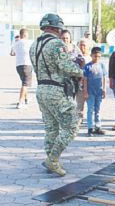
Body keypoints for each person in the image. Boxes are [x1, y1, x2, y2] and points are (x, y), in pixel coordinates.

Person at [29, 13, 83, 176]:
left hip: (41, 89)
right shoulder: (56, 43)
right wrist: (81, 72)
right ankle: (52, 160)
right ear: (56, 27)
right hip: (56, 90)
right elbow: (65, 65)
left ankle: (51, 160)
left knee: (51, 128)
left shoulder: (34, 44)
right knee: (72, 126)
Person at [83, 47, 107, 137]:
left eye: (98, 56)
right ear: (91, 55)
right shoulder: (87, 66)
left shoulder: (102, 66)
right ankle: (90, 128)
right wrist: (85, 91)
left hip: (99, 91)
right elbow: (85, 79)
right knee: (90, 110)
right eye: (95, 56)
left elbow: (104, 78)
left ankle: (98, 126)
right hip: (90, 92)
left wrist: (104, 89)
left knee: (98, 110)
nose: (96, 58)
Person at [10, 28, 33, 109]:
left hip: (18, 65)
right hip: (27, 64)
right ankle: (20, 102)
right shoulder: (29, 42)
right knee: (25, 84)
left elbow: (12, 53)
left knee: (24, 83)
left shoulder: (16, 43)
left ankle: (26, 99)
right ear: (25, 35)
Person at [75, 39, 92, 124]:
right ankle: (79, 118)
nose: (82, 47)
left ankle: (90, 120)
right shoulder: (76, 58)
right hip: (80, 83)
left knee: (90, 103)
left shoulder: (91, 58)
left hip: (91, 84)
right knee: (80, 102)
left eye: (84, 45)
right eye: (81, 45)